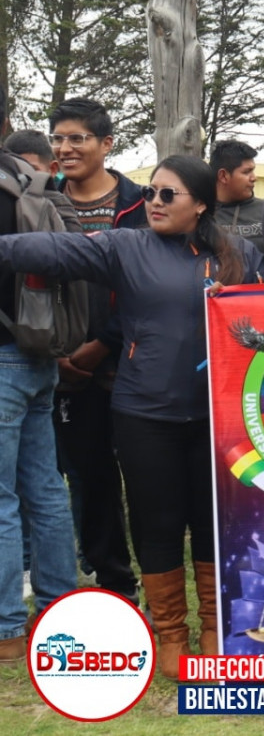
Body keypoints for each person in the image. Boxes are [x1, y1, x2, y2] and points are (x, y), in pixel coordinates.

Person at [0, 155, 264, 677]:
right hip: (145, 413)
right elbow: (55, 251)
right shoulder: (126, 246)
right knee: (158, 522)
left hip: (222, 414)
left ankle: (216, 626)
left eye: (169, 195)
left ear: (201, 205)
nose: (154, 203)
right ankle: (170, 632)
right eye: (150, 193)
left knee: (213, 520)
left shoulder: (242, 255)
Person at [49, 98, 145, 607]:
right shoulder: (40, 201)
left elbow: (149, 288)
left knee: (147, 483)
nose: (65, 149)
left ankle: (160, 589)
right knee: (90, 480)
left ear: (107, 145)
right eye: (58, 139)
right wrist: (64, 354)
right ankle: (115, 589)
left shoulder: (142, 204)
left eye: (77, 138)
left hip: (132, 365)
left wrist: (99, 346)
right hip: (63, 368)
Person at [0, 87, 78, 664]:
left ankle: (5, 627)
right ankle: (58, 605)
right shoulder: (32, 184)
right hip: (39, 350)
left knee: (1, 499)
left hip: (1, 357)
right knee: (47, 488)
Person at [210, 139, 264, 254]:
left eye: (253, 171)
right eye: (246, 172)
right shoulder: (200, 214)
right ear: (223, 176)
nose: (254, 178)